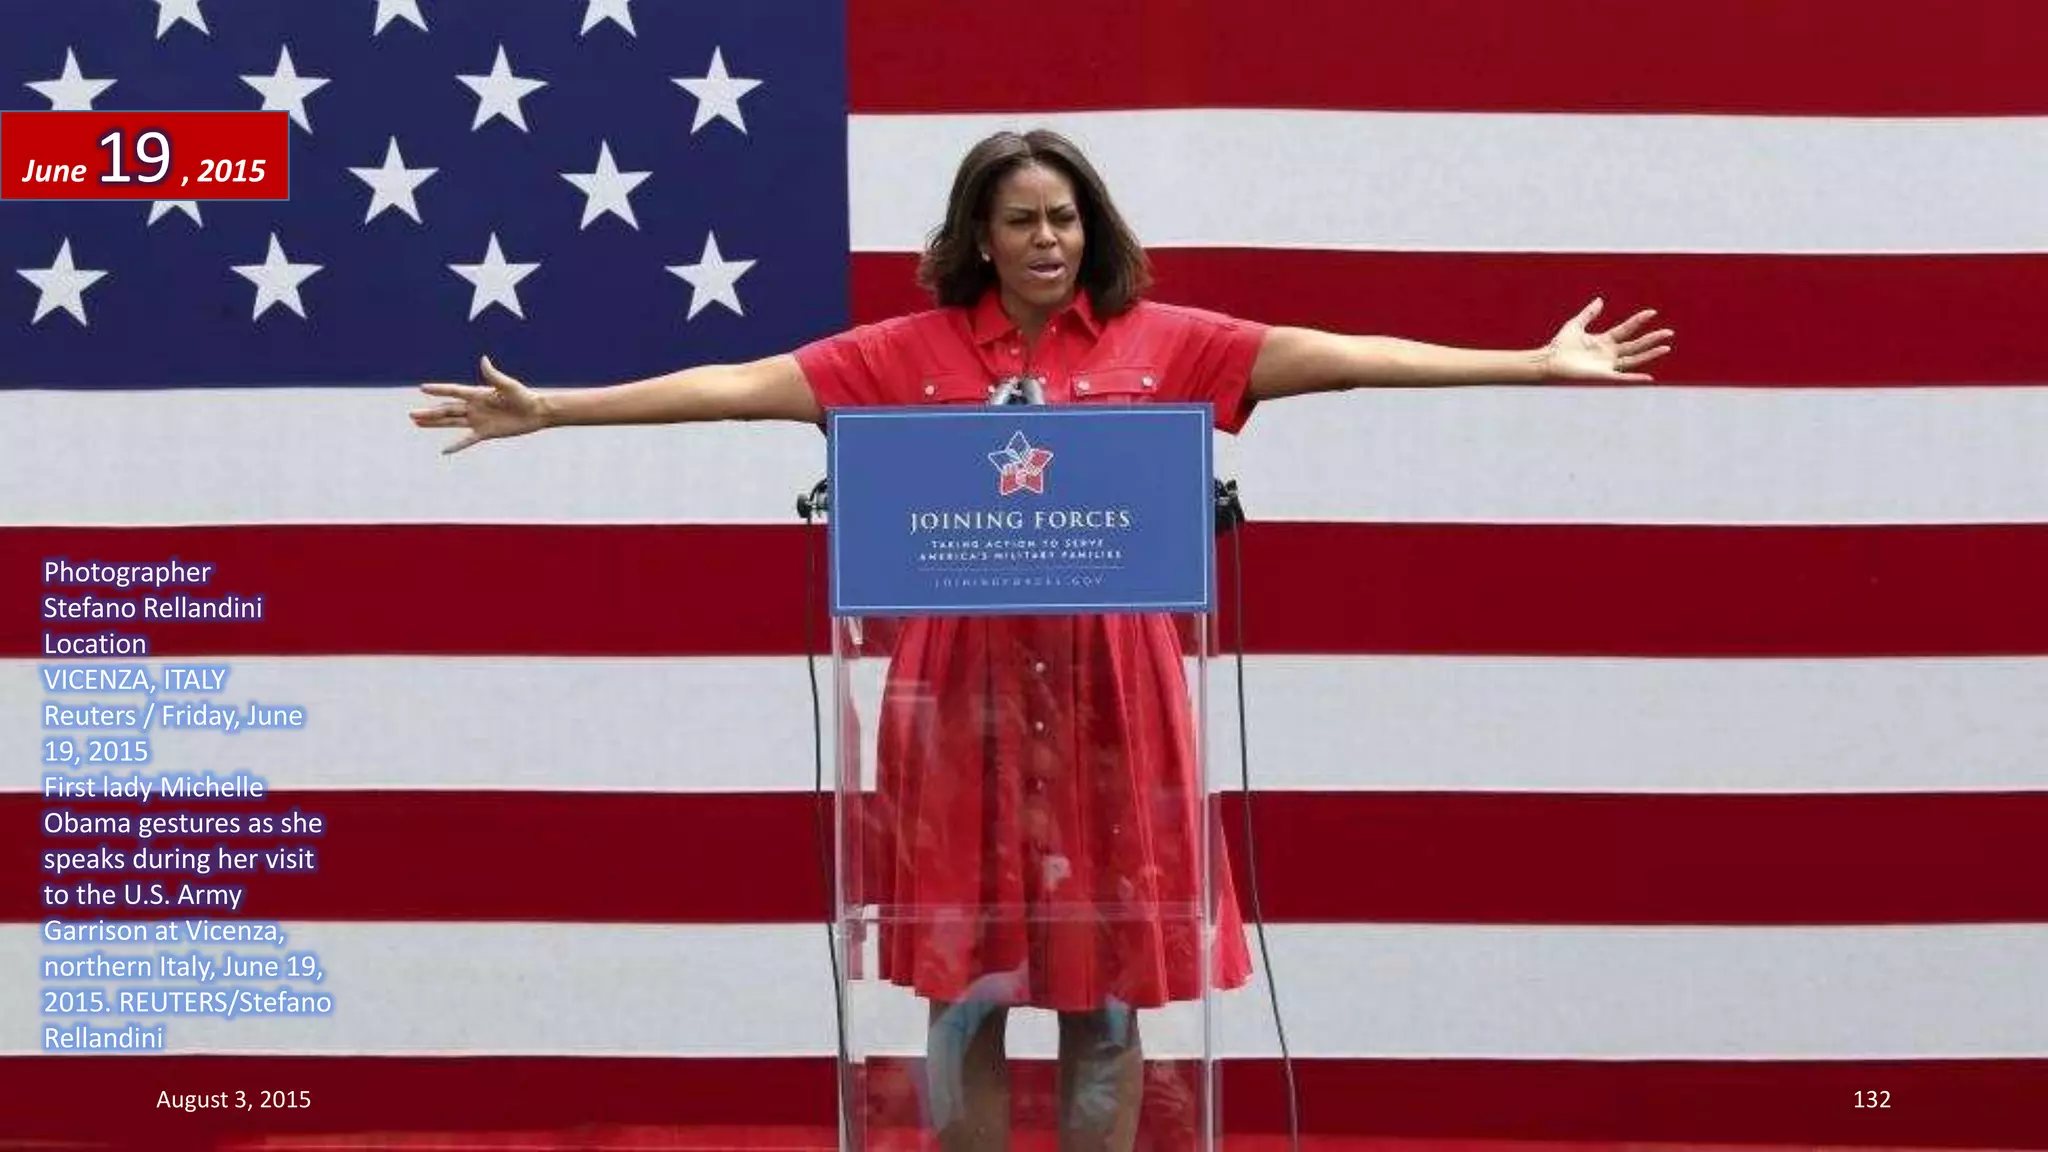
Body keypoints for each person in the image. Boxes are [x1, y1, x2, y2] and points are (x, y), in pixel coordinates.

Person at [412, 129, 1673, 1152]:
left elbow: (1333, 359)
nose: (1045, 240)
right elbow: (740, 384)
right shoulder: (900, 354)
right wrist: (557, 410)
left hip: (1115, 704)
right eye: (1019, 220)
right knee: (963, 986)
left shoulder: (1163, 342)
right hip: (950, 705)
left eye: (1063, 218)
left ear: (1094, 230)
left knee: (1103, 990)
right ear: (977, 235)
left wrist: (1523, 363)